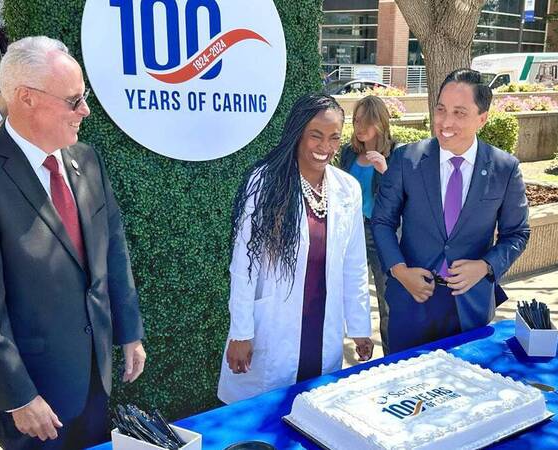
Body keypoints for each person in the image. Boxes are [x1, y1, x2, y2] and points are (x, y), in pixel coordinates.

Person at [0, 36, 146, 449]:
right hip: (32, 395)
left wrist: (129, 331)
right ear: (26, 98)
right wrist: (19, 396)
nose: (84, 110)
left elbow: (113, 251)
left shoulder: (88, 159)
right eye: (73, 100)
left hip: (93, 377)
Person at [218, 93, 373, 404]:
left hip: (321, 325)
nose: (325, 147)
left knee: (315, 409)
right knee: (265, 416)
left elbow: (354, 263)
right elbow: (243, 266)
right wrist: (241, 332)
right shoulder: (264, 184)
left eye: (333, 138)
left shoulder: (347, 189)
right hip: (273, 327)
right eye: (315, 135)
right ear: (297, 133)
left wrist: (359, 326)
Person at [372, 69, 529, 354]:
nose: (445, 122)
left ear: (482, 118)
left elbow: (517, 233)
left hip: (470, 306)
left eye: (459, 113)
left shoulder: (505, 168)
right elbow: (382, 221)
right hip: (411, 300)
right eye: (441, 109)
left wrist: (485, 267)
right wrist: (400, 271)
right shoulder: (407, 159)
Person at [339, 95, 399, 355]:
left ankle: (392, 357)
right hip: (351, 232)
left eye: (366, 120)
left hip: (380, 233)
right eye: (355, 120)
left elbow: (404, 196)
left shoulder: (397, 153)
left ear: (380, 121)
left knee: (387, 301)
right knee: (349, 292)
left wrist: (386, 171)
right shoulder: (348, 153)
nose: (359, 126)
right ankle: (360, 344)